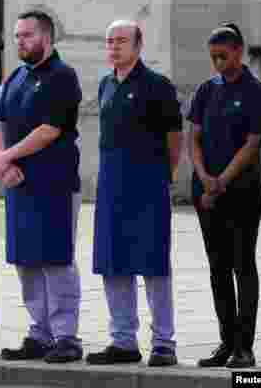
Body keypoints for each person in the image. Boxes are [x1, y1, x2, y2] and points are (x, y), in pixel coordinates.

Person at [88, 20, 182, 368]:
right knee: (114, 263)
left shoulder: (158, 86)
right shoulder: (105, 85)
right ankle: (123, 341)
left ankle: (163, 343)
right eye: (109, 41)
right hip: (112, 187)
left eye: (121, 41)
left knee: (153, 264)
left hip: (147, 186)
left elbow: (174, 138)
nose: (114, 47)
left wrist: (165, 176)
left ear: (138, 45)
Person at [0, 10, 84, 364]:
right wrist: (4, 160)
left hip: (54, 182)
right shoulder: (16, 77)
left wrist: (7, 157)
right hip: (18, 184)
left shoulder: (63, 76)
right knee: (26, 260)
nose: (20, 42)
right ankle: (39, 332)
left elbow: (50, 129)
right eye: (17, 36)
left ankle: (66, 337)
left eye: (27, 35)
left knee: (55, 259)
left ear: (47, 37)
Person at [189, 23, 261, 370]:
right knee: (217, 267)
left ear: (238, 51)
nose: (218, 63)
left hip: (241, 191)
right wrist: (204, 178)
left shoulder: (256, 91)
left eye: (223, 56)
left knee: (242, 264)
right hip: (207, 193)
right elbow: (193, 137)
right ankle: (225, 341)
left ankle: (244, 346)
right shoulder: (206, 90)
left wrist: (220, 181)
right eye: (213, 58)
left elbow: (252, 144)